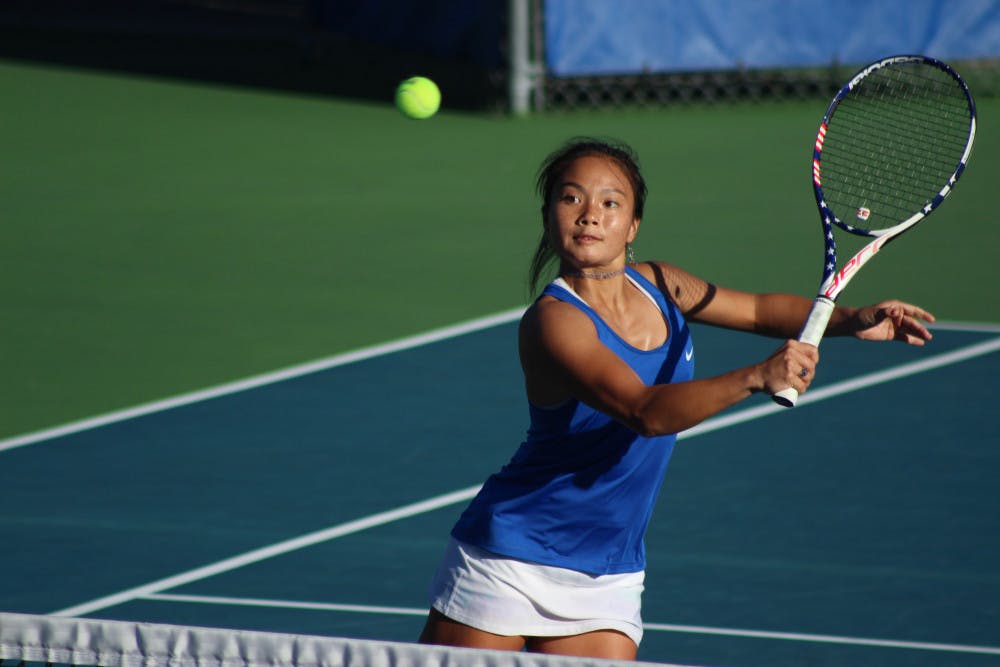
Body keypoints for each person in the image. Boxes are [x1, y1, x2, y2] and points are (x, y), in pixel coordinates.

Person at [418, 137, 934, 660]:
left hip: (607, 572)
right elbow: (644, 411)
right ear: (548, 216)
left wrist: (850, 320)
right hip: (510, 561)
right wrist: (757, 376)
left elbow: (757, 310)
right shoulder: (554, 323)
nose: (590, 214)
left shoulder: (663, 284)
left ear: (633, 226)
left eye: (610, 202)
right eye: (571, 198)